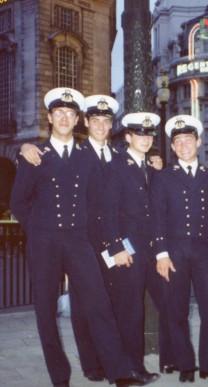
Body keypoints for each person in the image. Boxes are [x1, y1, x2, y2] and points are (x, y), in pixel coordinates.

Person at [9, 87, 158, 387]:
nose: (64, 118)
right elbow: (18, 202)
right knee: (45, 312)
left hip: (79, 241)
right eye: (59, 113)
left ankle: (119, 372)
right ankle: (60, 378)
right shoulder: (36, 154)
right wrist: (37, 228)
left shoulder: (85, 157)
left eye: (70, 113)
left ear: (77, 119)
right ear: (50, 117)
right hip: (45, 242)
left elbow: (98, 201)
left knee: (99, 304)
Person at [151, 115, 208, 384]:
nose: (184, 145)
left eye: (188, 139)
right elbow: (157, 217)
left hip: (204, 252)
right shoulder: (163, 178)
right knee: (176, 310)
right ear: (172, 147)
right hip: (174, 253)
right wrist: (160, 254)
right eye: (178, 141)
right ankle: (186, 364)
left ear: (198, 142)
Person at [100, 112, 171, 380]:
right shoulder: (115, 166)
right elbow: (108, 211)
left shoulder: (152, 168)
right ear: (128, 137)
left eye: (148, 134)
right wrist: (116, 247)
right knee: (128, 309)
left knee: (154, 303)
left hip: (150, 249)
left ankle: (138, 365)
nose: (145, 138)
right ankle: (125, 371)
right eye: (139, 134)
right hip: (126, 249)